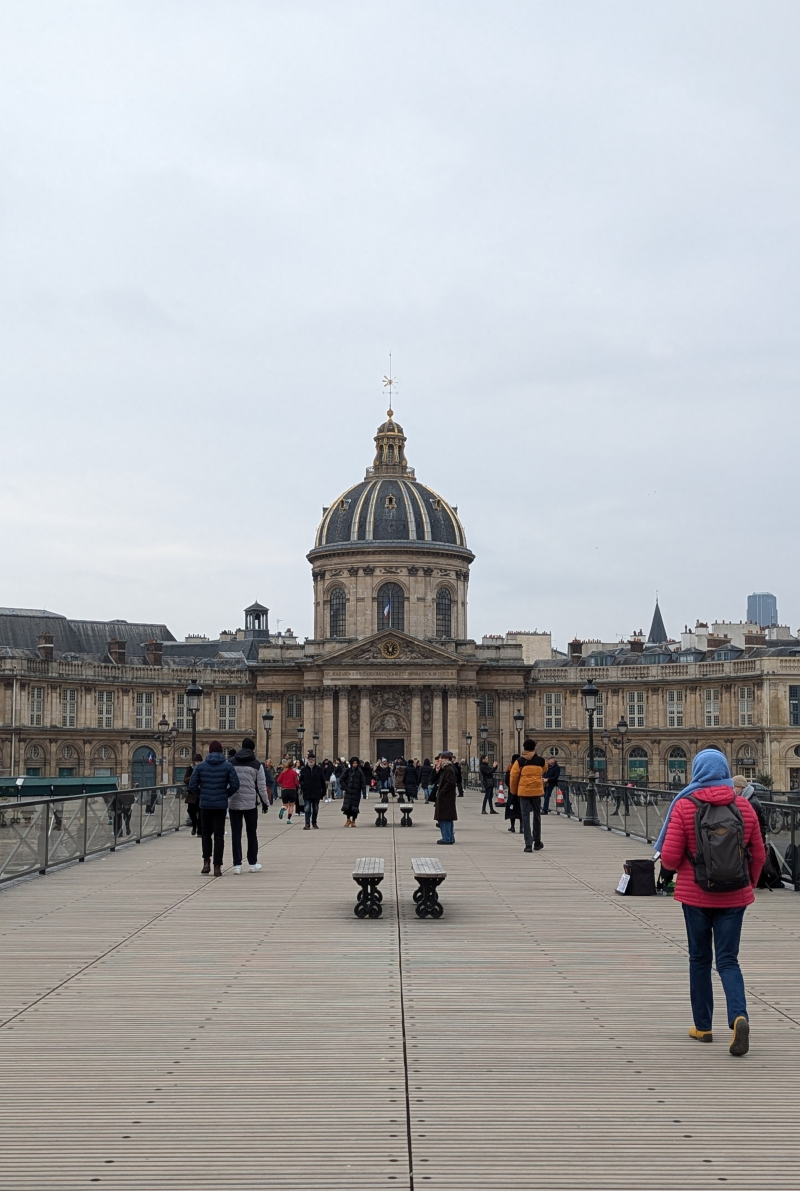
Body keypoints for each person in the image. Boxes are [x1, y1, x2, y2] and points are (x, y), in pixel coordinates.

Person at [660, 752, 765, 1055]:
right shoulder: (743, 806)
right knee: (728, 960)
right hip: (735, 896)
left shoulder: (683, 805)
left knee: (700, 959)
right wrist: (749, 883)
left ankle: (703, 1026)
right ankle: (738, 1017)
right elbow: (758, 854)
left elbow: (668, 858)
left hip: (695, 896)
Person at [189, 741, 240, 876]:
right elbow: (235, 784)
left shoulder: (200, 767)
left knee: (206, 834)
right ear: (221, 751)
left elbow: (192, 785)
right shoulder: (227, 766)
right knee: (219, 835)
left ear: (209, 752)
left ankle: (206, 862)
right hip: (220, 805)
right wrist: (225, 794)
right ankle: (217, 865)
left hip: (205, 804)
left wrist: (202, 795)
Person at [228, 737, 269, 873]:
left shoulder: (231, 762)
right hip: (250, 803)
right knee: (251, 833)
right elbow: (261, 786)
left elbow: (227, 782)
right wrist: (265, 803)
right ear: (253, 748)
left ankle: (237, 865)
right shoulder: (257, 764)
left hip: (234, 801)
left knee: (236, 834)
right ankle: (252, 863)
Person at [510, 740, 547, 853]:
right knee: (537, 816)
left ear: (524, 748)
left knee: (525, 816)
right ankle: (537, 842)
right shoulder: (541, 761)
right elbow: (545, 769)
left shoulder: (519, 761)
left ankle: (528, 844)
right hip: (537, 792)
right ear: (534, 748)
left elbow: (513, 777)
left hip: (524, 792)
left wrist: (514, 791)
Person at [434, 751, 458, 844]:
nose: (440, 759)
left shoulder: (448, 769)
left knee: (445, 818)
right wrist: (437, 770)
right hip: (447, 797)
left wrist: (442, 792)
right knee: (447, 818)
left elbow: (450, 782)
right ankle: (450, 837)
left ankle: (447, 838)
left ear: (447, 759)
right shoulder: (445, 768)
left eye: (442, 758)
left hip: (446, 798)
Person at [300, 752, 326, 829]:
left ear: (314, 760)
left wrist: (323, 791)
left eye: (312, 759)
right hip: (307, 792)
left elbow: (322, 781)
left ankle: (314, 822)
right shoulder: (304, 769)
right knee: (307, 808)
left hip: (316, 792)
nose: (310, 761)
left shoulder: (319, 769)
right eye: (309, 759)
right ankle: (307, 824)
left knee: (315, 808)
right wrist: (303, 786)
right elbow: (301, 780)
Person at [342, 757, 366, 826]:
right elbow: (341, 779)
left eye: (356, 763)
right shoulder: (348, 771)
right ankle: (348, 819)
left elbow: (363, 782)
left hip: (356, 792)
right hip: (349, 792)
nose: (354, 764)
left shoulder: (360, 772)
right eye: (353, 763)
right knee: (348, 807)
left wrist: (364, 793)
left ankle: (353, 821)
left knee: (355, 807)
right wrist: (345, 787)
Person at [183, 752, 203, 834]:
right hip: (191, 794)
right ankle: (195, 825)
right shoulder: (190, 769)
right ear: (193, 762)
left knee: (201, 813)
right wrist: (192, 778)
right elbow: (185, 780)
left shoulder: (203, 768)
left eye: (199, 761)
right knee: (190, 811)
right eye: (196, 761)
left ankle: (198, 830)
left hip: (201, 794)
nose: (197, 763)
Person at [504, 754, 520, 833]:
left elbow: (506, 780)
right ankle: (522, 827)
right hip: (520, 791)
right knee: (521, 809)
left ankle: (512, 826)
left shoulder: (509, 768)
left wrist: (511, 787)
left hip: (511, 792)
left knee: (512, 808)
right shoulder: (521, 768)